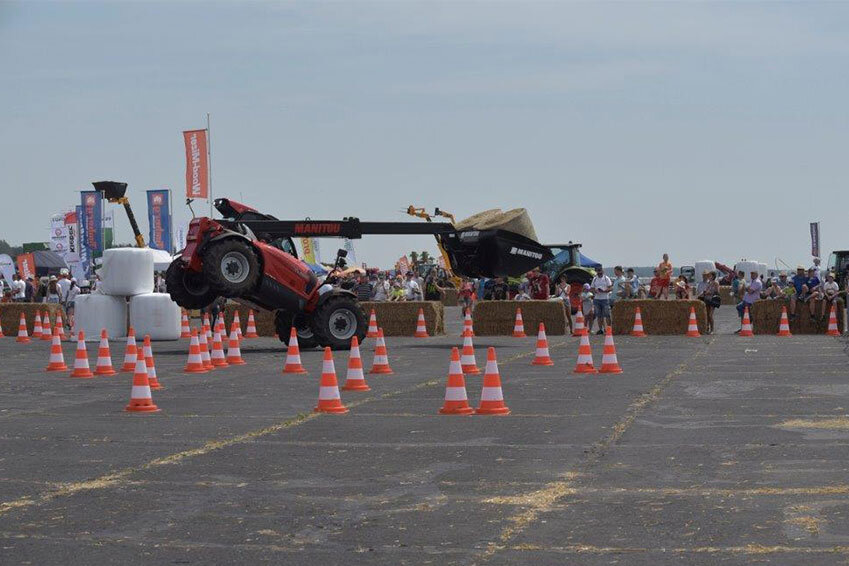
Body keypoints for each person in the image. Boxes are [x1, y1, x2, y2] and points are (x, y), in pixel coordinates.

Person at [590, 266, 612, 335]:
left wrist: (605, 290)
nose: (599, 273)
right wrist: (595, 291)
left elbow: (610, 288)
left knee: (607, 315)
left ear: (603, 271)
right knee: (599, 315)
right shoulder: (595, 279)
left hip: (605, 299)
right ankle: (600, 329)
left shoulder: (606, 278)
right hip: (597, 299)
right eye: (598, 271)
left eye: (600, 271)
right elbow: (592, 288)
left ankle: (609, 329)